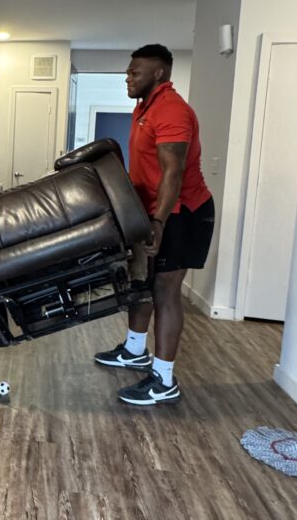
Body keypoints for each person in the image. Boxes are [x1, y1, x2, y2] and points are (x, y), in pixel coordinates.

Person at [94, 44, 214, 405]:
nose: (127, 78)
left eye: (135, 72)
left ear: (158, 73)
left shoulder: (173, 111)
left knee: (165, 290)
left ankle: (163, 380)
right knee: (141, 283)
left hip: (181, 212)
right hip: (154, 211)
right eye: (128, 72)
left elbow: (173, 172)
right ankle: (134, 350)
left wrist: (160, 221)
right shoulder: (144, 108)